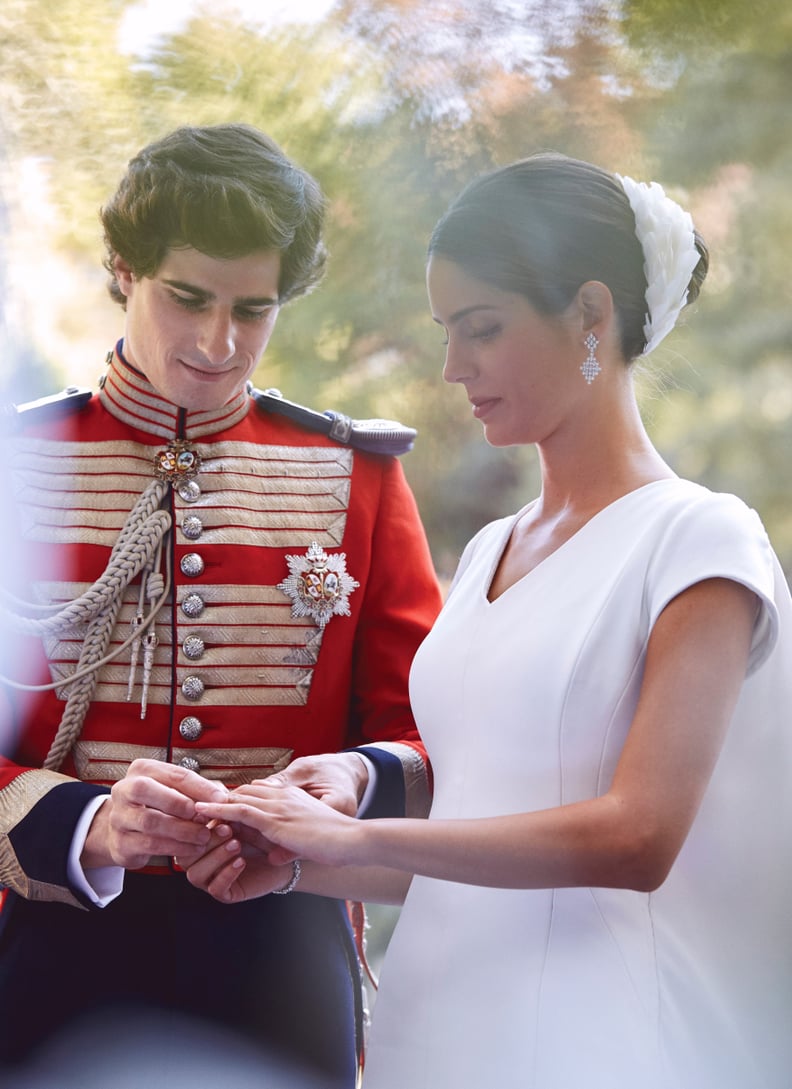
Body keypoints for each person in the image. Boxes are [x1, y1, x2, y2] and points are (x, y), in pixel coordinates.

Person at [183, 153, 792, 1089]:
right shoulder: (491, 550)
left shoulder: (699, 538)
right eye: (446, 331)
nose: (451, 366)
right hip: (435, 1034)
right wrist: (301, 861)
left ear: (591, 314)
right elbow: (474, 831)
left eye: (482, 329)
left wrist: (356, 838)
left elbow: (638, 837)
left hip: (593, 1045)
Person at [0, 122, 442, 1087]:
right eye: (188, 297)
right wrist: (85, 823)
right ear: (124, 268)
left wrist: (353, 779)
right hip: (48, 942)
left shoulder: (354, 475)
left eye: (255, 308)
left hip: (283, 953)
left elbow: (430, 729)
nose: (218, 342)